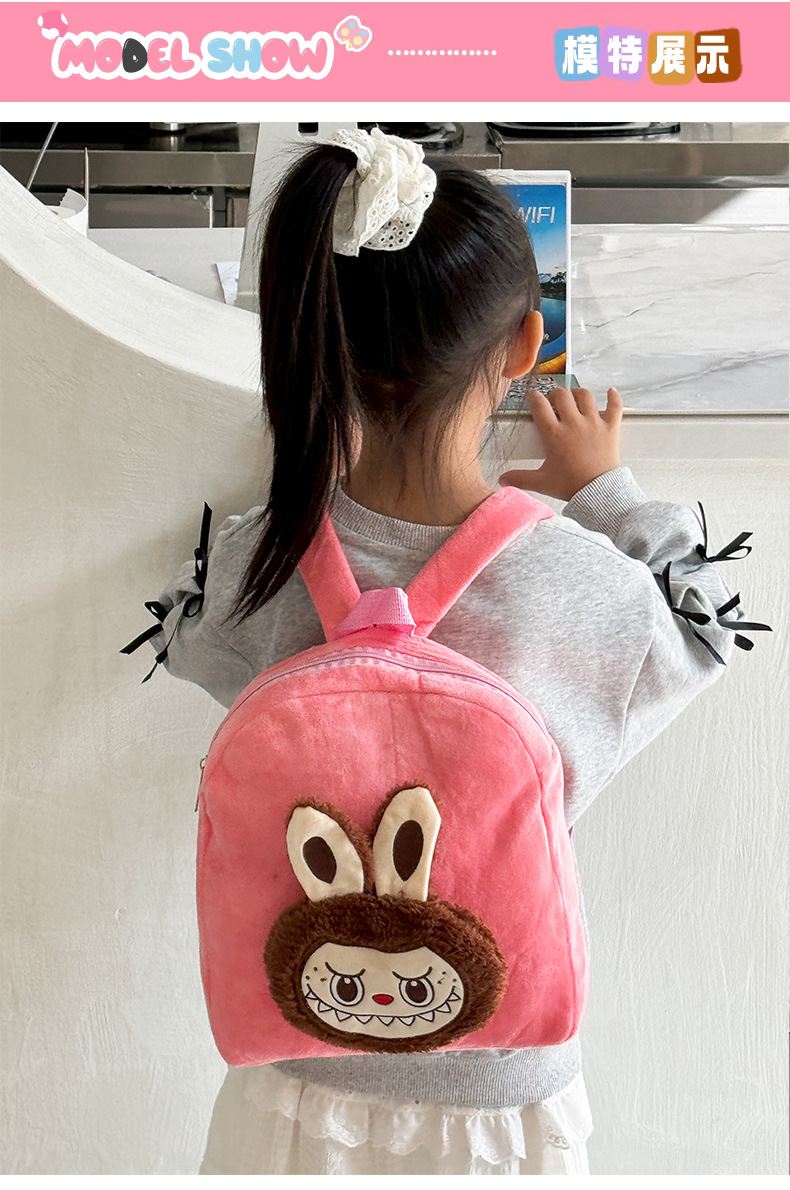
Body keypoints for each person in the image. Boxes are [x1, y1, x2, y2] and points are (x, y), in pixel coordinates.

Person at [132, 128, 768, 1175]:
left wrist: (291, 489)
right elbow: (709, 627)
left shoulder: (262, 561)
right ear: (524, 346)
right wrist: (606, 493)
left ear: (319, 340)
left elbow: (180, 628)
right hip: (498, 1097)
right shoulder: (580, 585)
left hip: (296, 1073)